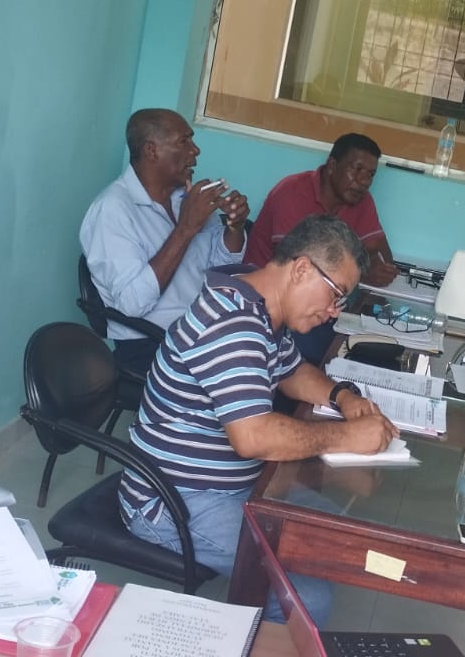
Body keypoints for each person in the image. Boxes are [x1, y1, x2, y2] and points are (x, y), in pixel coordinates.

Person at [122, 215, 398, 625]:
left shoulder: (258, 304)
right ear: (301, 269)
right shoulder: (231, 324)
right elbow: (253, 437)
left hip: (237, 484)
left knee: (334, 535)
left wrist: (342, 397)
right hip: (175, 501)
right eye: (335, 294)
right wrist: (346, 436)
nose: (332, 312)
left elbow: (291, 371)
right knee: (307, 600)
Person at [81, 108, 251, 375]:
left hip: (200, 334)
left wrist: (235, 227)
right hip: (150, 344)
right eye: (184, 141)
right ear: (152, 151)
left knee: (273, 361)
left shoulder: (183, 200)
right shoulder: (112, 210)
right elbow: (131, 304)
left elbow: (221, 269)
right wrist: (185, 228)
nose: (196, 151)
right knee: (248, 381)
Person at [245, 133, 398, 361]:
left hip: (321, 301)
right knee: (334, 355)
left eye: (370, 174)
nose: (364, 181)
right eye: (356, 169)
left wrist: (379, 266)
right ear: (332, 165)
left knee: (374, 345)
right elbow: (293, 265)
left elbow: (380, 250)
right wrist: (365, 274)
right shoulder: (292, 191)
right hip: (269, 303)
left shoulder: (360, 199)